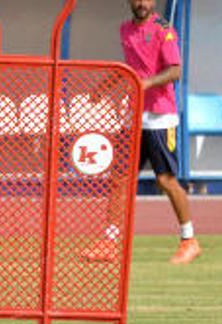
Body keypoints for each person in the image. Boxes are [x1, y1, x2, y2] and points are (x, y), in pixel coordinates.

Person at [85, 0, 200, 264]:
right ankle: (109, 242)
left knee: (165, 181)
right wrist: (106, 86)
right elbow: (131, 69)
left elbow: (175, 71)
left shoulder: (164, 30)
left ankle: (189, 240)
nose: (141, 3)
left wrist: (146, 83)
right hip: (133, 115)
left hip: (160, 116)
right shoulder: (125, 29)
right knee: (120, 178)